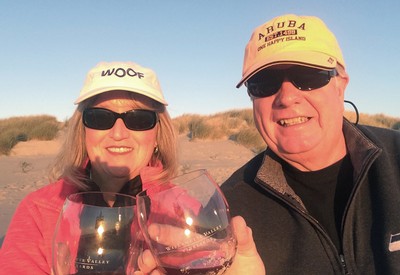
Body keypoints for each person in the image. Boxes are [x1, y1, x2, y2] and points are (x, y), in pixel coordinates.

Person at [0, 61, 264, 274]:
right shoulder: (39, 210)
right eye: (100, 118)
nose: (118, 133)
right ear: (83, 130)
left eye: (138, 119)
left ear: (158, 134)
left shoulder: (183, 208)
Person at [221, 14, 400, 274]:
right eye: (264, 83)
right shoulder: (230, 212)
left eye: (308, 75)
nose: (287, 97)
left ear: (341, 85)